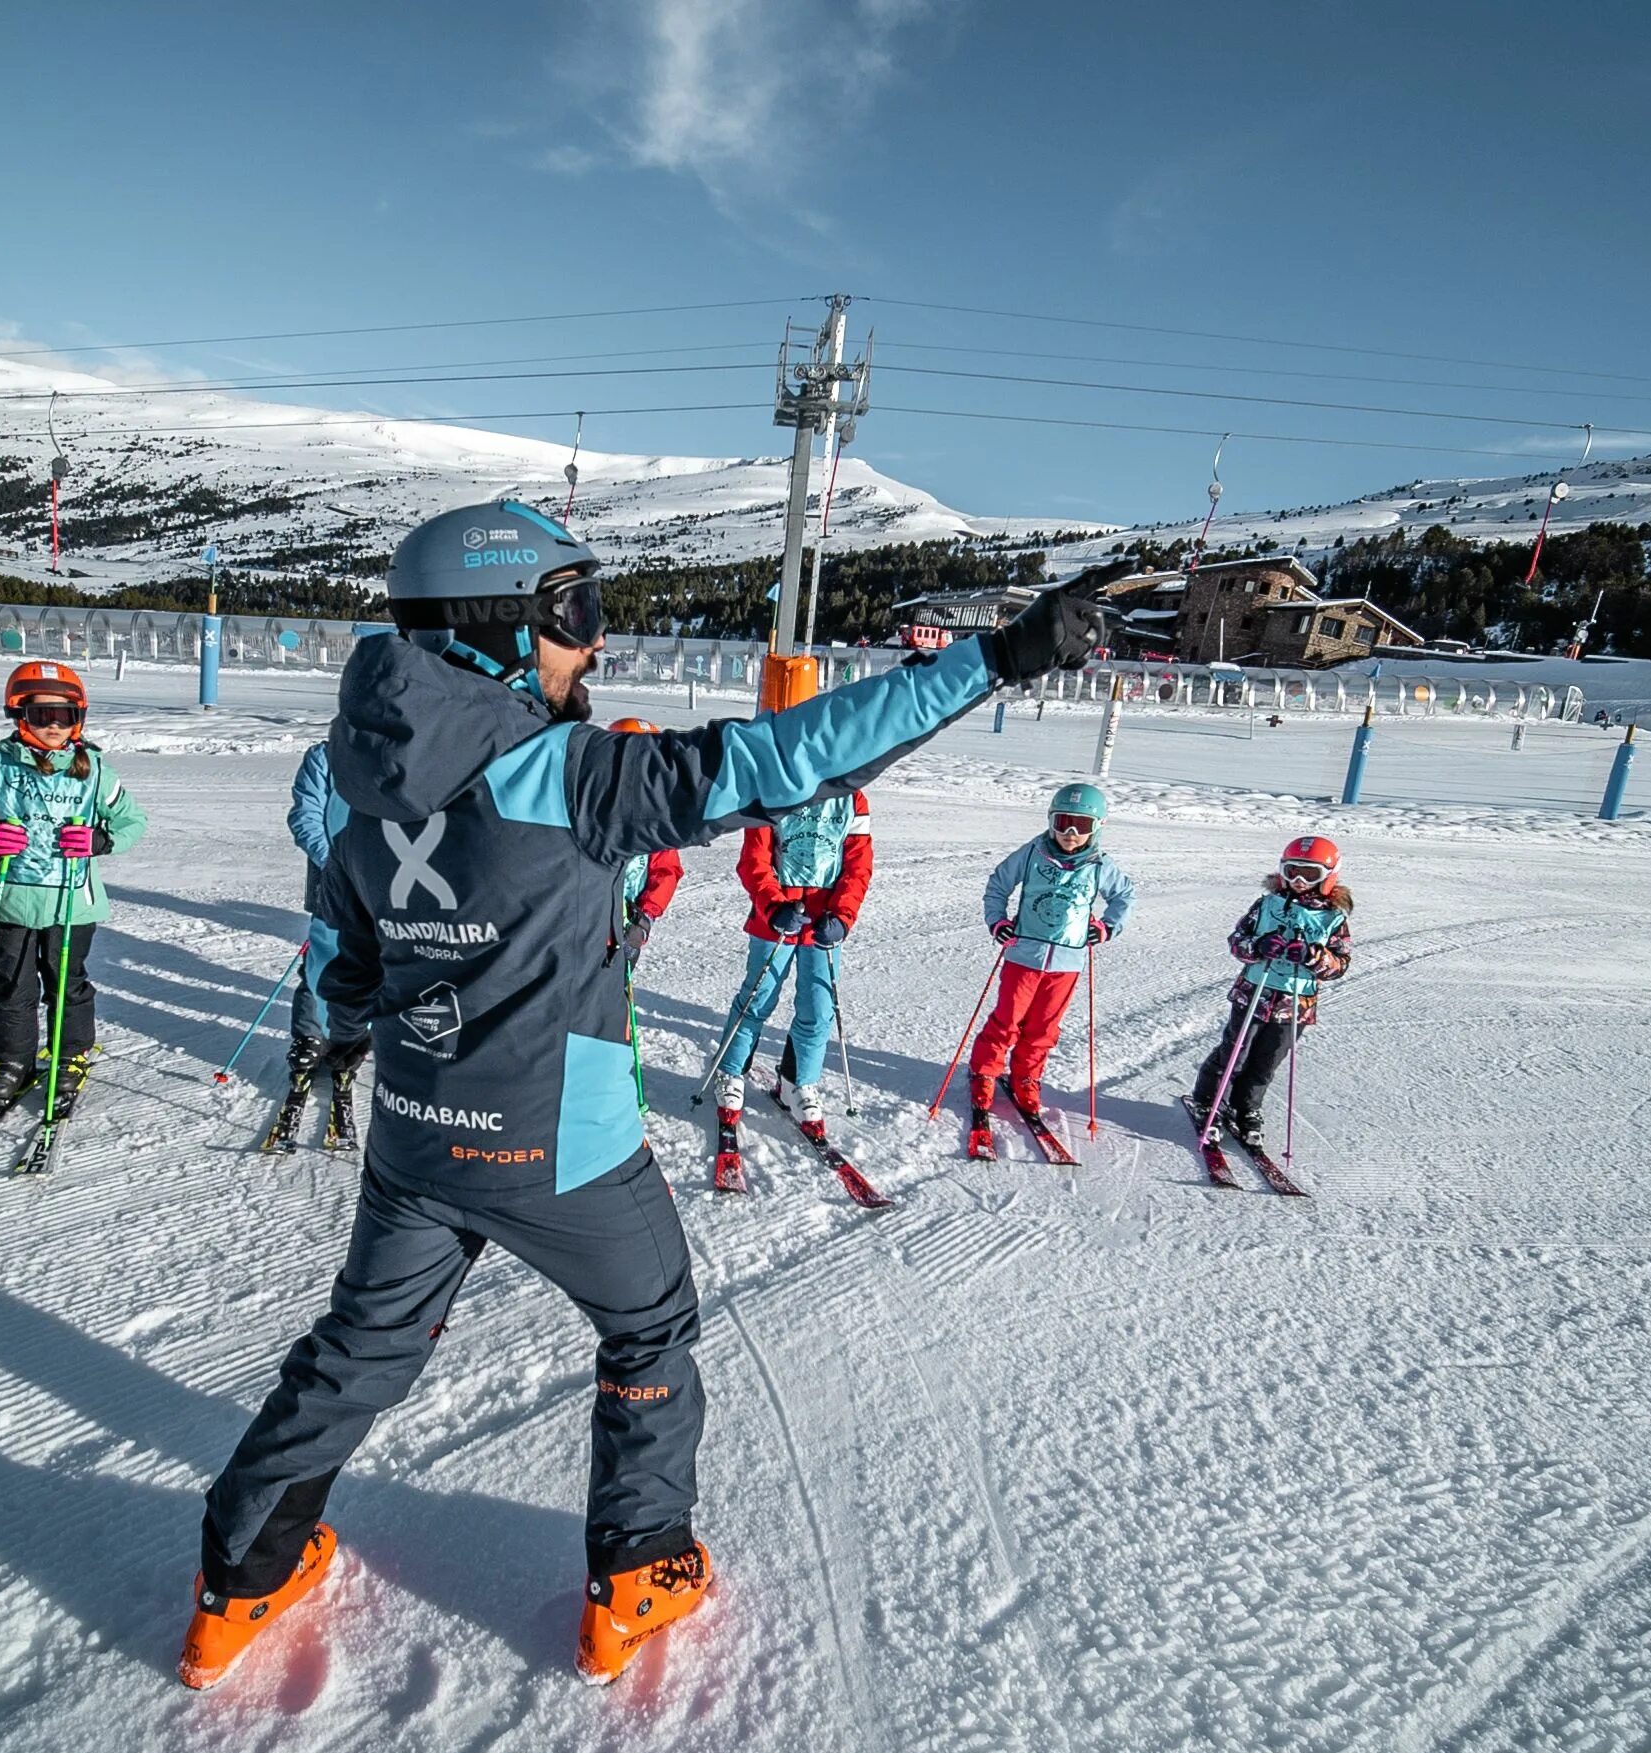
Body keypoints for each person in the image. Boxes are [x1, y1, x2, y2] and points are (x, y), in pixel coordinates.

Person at [181, 500, 1119, 1691]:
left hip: (417, 1139)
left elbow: (348, 972)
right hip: (558, 1143)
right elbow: (788, 758)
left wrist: (412, 999)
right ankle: (638, 1571)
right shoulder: (561, 771)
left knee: (360, 1348)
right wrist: (995, 657)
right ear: (497, 631)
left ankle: (239, 1578)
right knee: (648, 1326)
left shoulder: (357, 786)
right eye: (575, 613)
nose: (594, 644)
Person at [0, 662, 147, 1122]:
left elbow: (132, 820)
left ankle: (70, 1052)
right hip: (12, 898)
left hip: (71, 900)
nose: (54, 725)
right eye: (42, 716)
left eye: (64, 714)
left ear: (78, 717)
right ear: (19, 716)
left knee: (66, 980)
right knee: (12, 984)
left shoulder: (94, 768)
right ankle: (13, 1058)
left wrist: (102, 840)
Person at [967, 781, 1133, 1149]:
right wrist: (997, 920)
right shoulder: (1032, 854)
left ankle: (1026, 1076)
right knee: (1007, 1019)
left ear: (1097, 827)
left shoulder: (1100, 866)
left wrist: (1107, 928)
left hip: (1067, 961)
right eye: (1062, 822)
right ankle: (985, 1072)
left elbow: (1124, 895)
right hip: (1023, 954)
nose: (1070, 834)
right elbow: (998, 883)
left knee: (1044, 1025)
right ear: (1050, 821)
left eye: (1081, 826)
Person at [710, 781, 871, 1139]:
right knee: (757, 997)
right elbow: (753, 860)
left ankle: (797, 1082)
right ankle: (731, 1071)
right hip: (779, 916)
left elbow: (858, 866)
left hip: (823, 922)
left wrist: (843, 917)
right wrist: (773, 906)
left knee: (818, 1005)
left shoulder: (853, 799)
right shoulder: (772, 790)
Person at [1190, 835, 1353, 1152]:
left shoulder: (1334, 918)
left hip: (1295, 1003)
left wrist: (1314, 957)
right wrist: (1258, 947)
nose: (1299, 881)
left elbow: (1340, 964)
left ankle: (1246, 1107)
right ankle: (1209, 1103)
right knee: (1234, 1052)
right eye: (1292, 871)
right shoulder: (1267, 904)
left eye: (1310, 874)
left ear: (1328, 877)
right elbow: (1237, 940)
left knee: (1266, 1061)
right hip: (1254, 992)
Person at [283, 739, 367, 1146]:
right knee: (323, 962)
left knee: (373, 966)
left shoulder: (402, 753)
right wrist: (334, 864)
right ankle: (309, 1035)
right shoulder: (326, 756)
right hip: (333, 881)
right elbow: (305, 816)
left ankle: (351, 1038)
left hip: (385, 884)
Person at [607, 718, 682, 966]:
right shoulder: (590, 802)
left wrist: (645, 917)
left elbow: (666, 870)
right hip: (583, 929)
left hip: (627, 928)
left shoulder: (656, 814)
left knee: (615, 999)